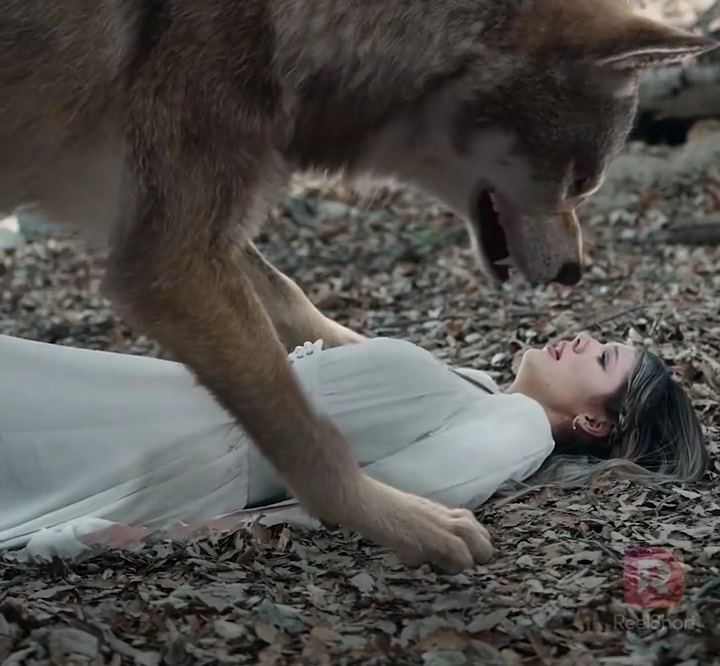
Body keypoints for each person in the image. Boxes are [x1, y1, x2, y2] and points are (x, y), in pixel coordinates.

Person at [0, 328, 708, 564]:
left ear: (594, 424)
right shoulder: (480, 393)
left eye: (605, 358)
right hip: (169, 406)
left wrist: (155, 536)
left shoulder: (513, 429)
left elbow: (396, 498)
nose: (583, 339)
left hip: (171, 446)